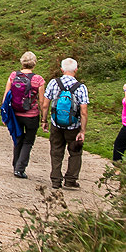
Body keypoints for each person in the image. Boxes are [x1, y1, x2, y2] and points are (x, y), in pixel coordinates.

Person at [44, 57, 89, 189]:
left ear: (62, 69)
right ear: (76, 70)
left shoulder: (53, 83)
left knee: (56, 151)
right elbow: (84, 111)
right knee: (75, 152)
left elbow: (45, 104)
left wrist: (44, 120)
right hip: (73, 126)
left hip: (56, 123)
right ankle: (70, 180)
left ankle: (55, 180)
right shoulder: (81, 87)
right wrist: (82, 130)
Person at [4, 51, 47, 179]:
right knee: (28, 141)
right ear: (34, 64)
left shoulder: (13, 75)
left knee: (17, 139)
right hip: (31, 115)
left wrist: (4, 114)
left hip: (15, 114)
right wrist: (44, 118)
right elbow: (41, 101)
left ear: (22, 62)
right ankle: (20, 168)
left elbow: (7, 95)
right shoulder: (38, 79)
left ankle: (15, 165)